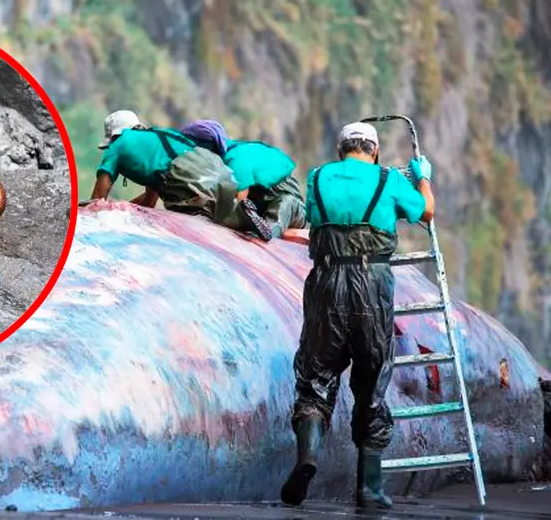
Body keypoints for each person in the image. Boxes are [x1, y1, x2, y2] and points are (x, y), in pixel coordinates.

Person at [280, 121, 435, 509]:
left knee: (315, 376)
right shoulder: (387, 179)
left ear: (340, 150)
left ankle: (307, 458)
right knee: (371, 380)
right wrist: (422, 179)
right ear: (375, 151)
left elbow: (315, 220)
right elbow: (427, 212)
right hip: (372, 284)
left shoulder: (317, 178)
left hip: (326, 283)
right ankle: (369, 488)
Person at [89, 110, 242, 228]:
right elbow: (149, 202)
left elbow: (97, 200)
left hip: (186, 172)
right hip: (217, 168)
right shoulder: (157, 141)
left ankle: (220, 213)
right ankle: (240, 212)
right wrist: (121, 208)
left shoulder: (118, 144)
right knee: (222, 211)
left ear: (114, 135)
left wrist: (91, 213)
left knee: (195, 213)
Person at [180, 120, 307, 239]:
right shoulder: (220, 161)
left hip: (290, 207)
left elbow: (241, 198)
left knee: (283, 205)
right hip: (257, 208)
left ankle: (268, 231)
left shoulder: (236, 158)